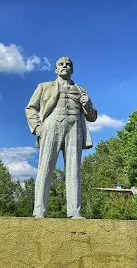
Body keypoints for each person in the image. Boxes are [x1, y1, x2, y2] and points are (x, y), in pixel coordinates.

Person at [25, 57, 98, 219]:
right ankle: (39, 210)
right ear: (56, 70)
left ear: (72, 70)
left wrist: (87, 105)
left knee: (74, 170)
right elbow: (31, 108)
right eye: (61, 64)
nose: (65, 66)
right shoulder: (44, 87)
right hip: (51, 126)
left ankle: (74, 212)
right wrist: (38, 128)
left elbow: (92, 117)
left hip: (74, 128)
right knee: (45, 168)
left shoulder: (81, 90)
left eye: (68, 64)